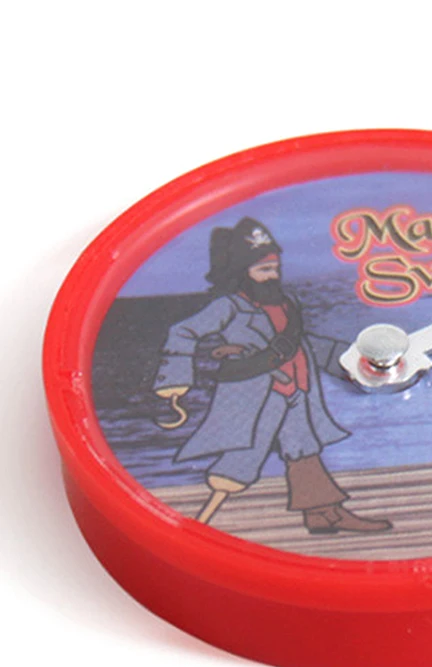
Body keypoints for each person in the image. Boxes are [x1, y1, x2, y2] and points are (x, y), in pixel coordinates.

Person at [153, 216, 392, 535]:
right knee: (241, 460)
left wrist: (352, 362)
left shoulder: (287, 304)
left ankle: (323, 515)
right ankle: (192, 530)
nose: (273, 276)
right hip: (257, 394)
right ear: (243, 272)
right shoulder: (229, 307)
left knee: (303, 449)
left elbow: (302, 344)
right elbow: (183, 332)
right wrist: (175, 381)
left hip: (297, 392)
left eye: (275, 269)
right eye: (263, 270)